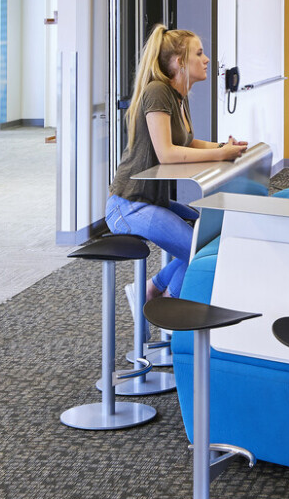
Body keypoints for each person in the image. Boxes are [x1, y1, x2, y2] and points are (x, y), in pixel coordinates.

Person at [105, 26, 247, 303]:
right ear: (180, 62)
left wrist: (224, 147)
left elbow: (188, 143)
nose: (206, 60)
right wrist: (221, 155)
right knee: (201, 250)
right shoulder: (158, 91)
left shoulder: (179, 96)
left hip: (154, 201)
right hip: (129, 204)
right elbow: (168, 153)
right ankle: (170, 306)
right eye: (199, 53)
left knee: (209, 237)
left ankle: (152, 290)